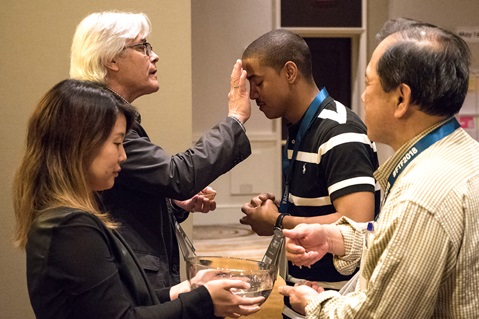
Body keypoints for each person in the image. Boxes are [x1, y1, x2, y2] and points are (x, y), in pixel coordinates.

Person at [278, 18, 479, 318]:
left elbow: (375, 315)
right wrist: (334, 238)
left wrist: (312, 302)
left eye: (369, 83)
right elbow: (402, 242)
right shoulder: (462, 153)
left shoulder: (420, 195)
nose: (362, 95)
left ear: (401, 98)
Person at [13, 79, 263, 319]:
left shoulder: (69, 219)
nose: (123, 156)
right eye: (117, 143)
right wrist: (204, 300)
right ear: (80, 145)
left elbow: (114, 303)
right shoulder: (70, 227)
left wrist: (185, 289)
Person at [70, 11, 252, 289]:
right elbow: (176, 176)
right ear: (111, 59)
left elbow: (124, 198)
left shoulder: (106, 111)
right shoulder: (101, 117)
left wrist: (174, 203)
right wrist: (235, 119)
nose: (154, 56)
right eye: (143, 47)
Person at [239, 29, 380, 318]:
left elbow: (357, 221)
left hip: (336, 300)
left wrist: (277, 221)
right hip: (306, 294)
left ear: (289, 72)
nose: (252, 95)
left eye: (258, 82)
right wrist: (281, 207)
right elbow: (325, 203)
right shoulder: (304, 126)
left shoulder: (339, 129)